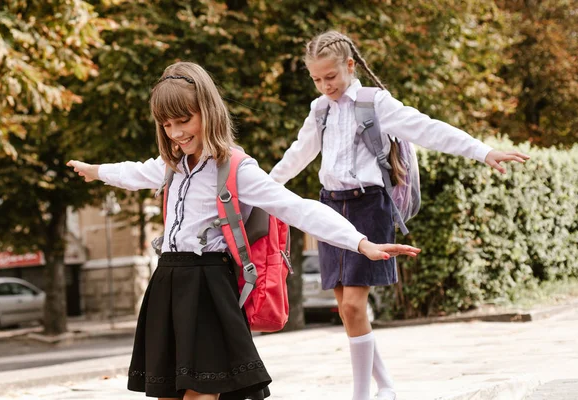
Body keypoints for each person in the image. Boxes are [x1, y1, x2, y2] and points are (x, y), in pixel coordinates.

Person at [67, 61, 421, 400]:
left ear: (208, 111)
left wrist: (359, 242)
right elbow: (133, 173)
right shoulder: (172, 165)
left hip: (208, 283)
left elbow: (296, 208)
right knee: (168, 391)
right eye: (166, 124)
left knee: (203, 389)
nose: (175, 133)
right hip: (168, 281)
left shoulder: (236, 168)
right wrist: (96, 171)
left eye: (183, 120)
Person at [269, 31, 530, 400]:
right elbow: (298, 154)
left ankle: (362, 395)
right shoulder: (320, 110)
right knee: (346, 309)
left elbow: (428, 129)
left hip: (368, 207)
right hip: (329, 207)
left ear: (350, 66)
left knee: (355, 305)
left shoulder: (376, 103)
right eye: (316, 79)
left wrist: (483, 151)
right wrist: (261, 190)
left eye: (331, 77)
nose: (325, 85)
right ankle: (386, 385)